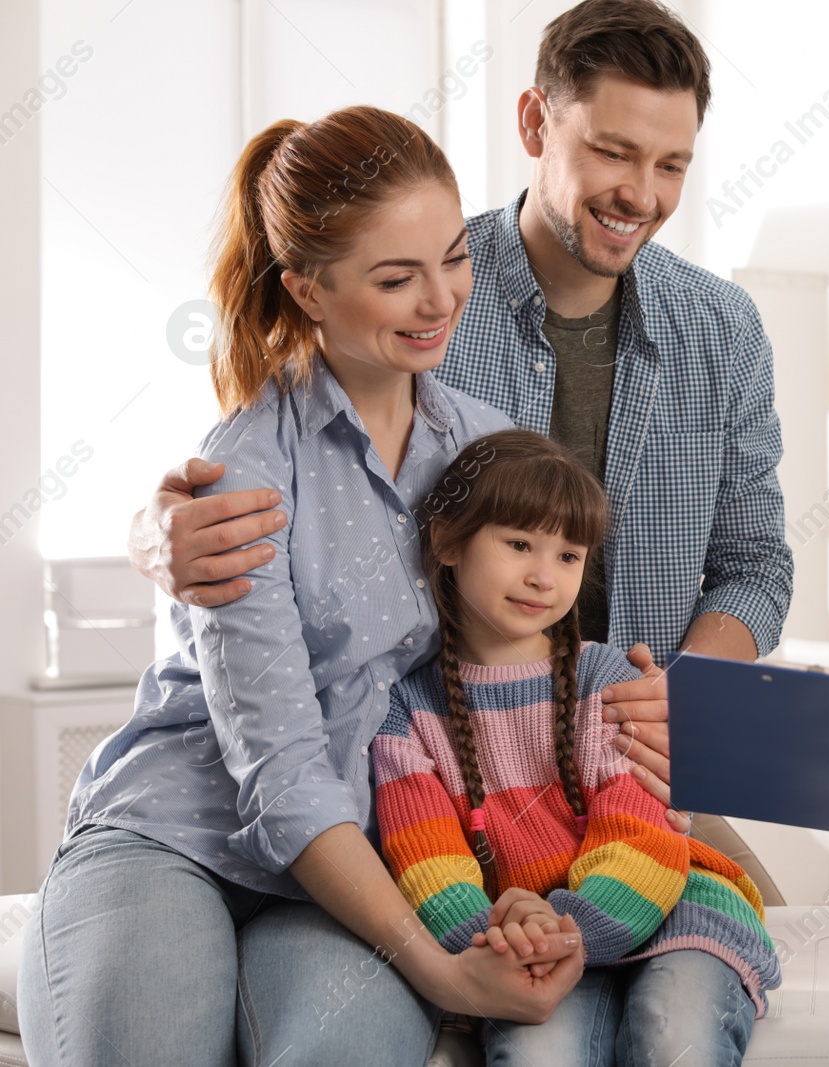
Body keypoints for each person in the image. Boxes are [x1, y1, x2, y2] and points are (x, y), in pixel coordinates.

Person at [125, 0, 794, 827]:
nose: (641, 194)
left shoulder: (722, 328)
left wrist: (677, 692)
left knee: (749, 934)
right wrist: (151, 529)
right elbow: (292, 454)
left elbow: (757, 564)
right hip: (447, 771)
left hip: (634, 756)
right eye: (612, 151)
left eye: (672, 165)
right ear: (533, 121)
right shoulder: (425, 297)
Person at [18, 107, 585, 1066]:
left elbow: (525, 638)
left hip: (358, 862)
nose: (440, 298)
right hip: (175, 830)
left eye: (452, 257)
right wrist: (447, 978)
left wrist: (619, 691)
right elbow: (279, 773)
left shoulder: (487, 449)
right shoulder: (245, 471)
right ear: (309, 290)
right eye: (396, 278)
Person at [376, 428, 779, 1066]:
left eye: (569, 556)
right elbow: (428, 867)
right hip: (532, 944)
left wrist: (563, 929)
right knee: (538, 1055)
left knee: (671, 1034)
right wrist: (507, 943)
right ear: (448, 542)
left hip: (673, 909)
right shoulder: (408, 714)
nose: (543, 576)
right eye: (518, 544)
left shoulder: (608, 682)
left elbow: (643, 839)